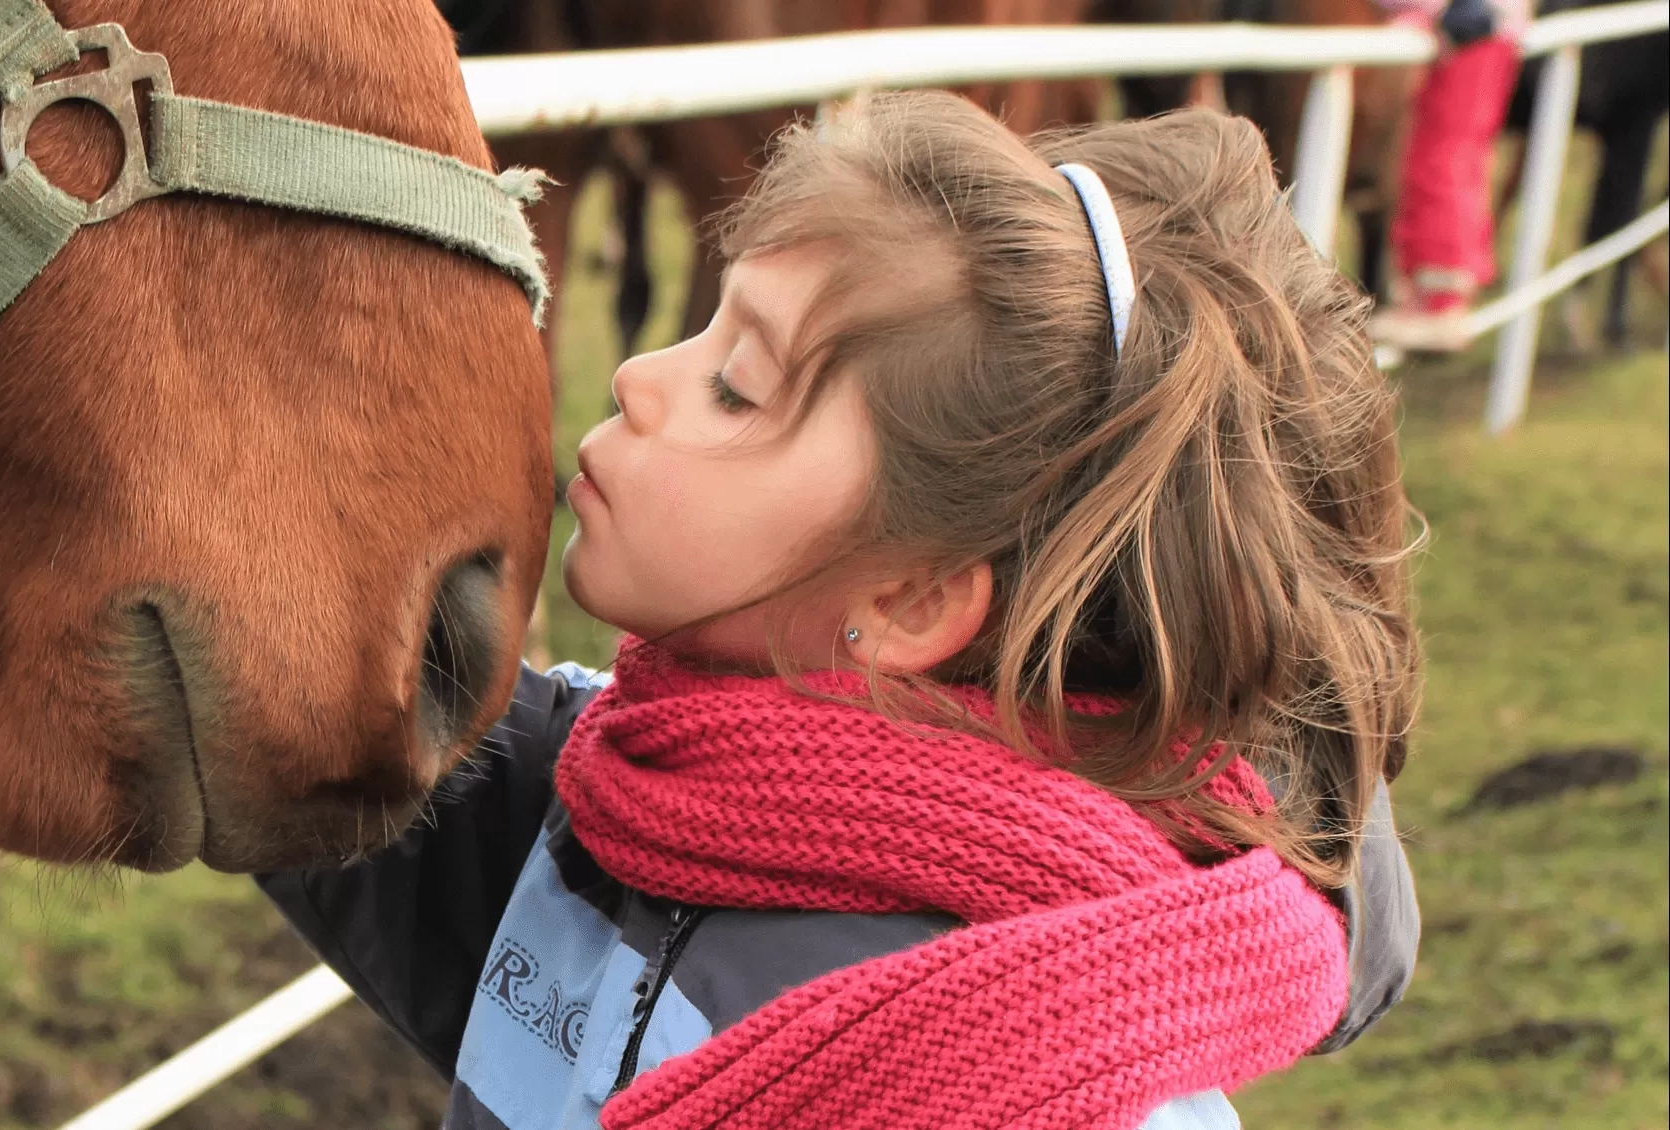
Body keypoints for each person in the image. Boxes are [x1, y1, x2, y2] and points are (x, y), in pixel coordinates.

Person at [262, 93, 1423, 1130]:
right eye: (707, 324)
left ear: (909, 598)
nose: (636, 377)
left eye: (738, 384)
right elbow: (291, 669)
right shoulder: (617, 793)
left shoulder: (1052, 1079)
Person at [1373, 0, 1535, 348]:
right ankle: (1433, 300)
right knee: (1459, 163)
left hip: (1469, 35)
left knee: (1439, 165)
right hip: (1484, 33)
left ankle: (1440, 308)